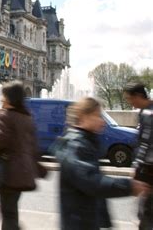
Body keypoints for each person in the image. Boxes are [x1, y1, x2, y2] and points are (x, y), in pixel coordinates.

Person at [55, 97, 150, 230]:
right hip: (78, 223)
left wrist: (104, 222)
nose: (102, 121)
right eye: (98, 116)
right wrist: (129, 186)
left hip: (85, 221)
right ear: (83, 117)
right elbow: (91, 181)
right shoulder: (75, 145)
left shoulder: (86, 142)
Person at [0, 80, 44, 230]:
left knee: (8, 213)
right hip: (24, 173)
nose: (1, 98)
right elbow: (34, 147)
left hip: (9, 173)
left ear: (8, 98)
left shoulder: (5, 116)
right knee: (11, 211)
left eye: (3, 95)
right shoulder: (27, 118)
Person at [123, 83, 153, 229]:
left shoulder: (148, 113)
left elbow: (146, 142)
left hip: (148, 167)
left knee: (146, 208)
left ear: (139, 96)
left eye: (130, 99)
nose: (130, 102)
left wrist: (137, 165)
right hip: (147, 166)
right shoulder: (145, 111)